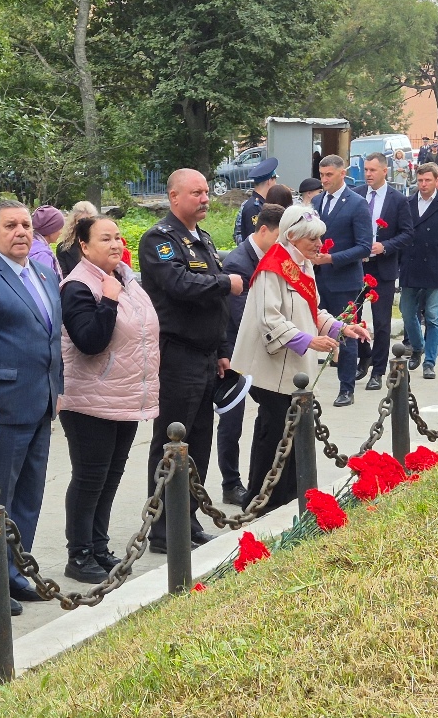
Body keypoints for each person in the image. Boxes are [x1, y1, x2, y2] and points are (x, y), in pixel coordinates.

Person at [0, 200, 63, 609]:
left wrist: (58, 388)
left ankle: (16, 572)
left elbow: (51, 338)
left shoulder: (43, 272)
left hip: (41, 402)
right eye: (10, 225)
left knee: (29, 497)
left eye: (25, 224)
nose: (21, 231)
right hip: (3, 406)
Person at [232, 206, 370, 511]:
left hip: (291, 367)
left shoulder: (303, 265)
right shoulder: (273, 266)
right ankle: (265, 500)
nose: (320, 245)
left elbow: (313, 310)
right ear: (293, 237)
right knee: (275, 434)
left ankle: (288, 497)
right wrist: (309, 340)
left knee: (288, 433)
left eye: (320, 238)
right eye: (314, 239)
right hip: (270, 369)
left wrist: (341, 327)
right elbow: (270, 319)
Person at [138, 169, 244, 553]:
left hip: (204, 355)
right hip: (176, 354)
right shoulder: (159, 240)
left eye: (206, 192)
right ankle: (164, 527)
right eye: (196, 193)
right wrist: (225, 282)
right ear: (173, 196)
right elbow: (179, 285)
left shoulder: (204, 238)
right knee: (172, 440)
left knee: (199, 440)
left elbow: (213, 306)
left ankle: (189, 517)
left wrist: (221, 350)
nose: (204, 198)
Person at [58, 215, 160, 583]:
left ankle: (98, 546)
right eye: (106, 239)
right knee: (89, 478)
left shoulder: (124, 279)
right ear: (84, 246)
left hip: (125, 396)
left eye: (118, 237)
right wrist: (109, 302)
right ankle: (79, 554)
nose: (116, 244)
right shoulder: (78, 286)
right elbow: (89, 341)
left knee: (110, 476)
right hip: (89, 401)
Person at [216, 204, 283, 507]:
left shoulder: (268, 258)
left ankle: (262, 476)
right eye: (280, 236)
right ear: (264, 230)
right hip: (234, 353)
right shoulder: (238, 262)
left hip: (254, 352)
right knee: (232, 420)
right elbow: (241, 314)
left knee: (270, 412)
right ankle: (231, 483)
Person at [311, 154, 374, 407]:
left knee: (345, 334)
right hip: (317, 279)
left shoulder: (357, 203)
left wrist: (331, 259)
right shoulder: (316, 201)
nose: (324, 180)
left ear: (342, 174)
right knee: (313, 328)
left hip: (344, 280)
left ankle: (346, 387)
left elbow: (364, 247)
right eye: (321, 174)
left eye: (329, 175)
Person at [354, 152, 414, 389]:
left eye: (372, 170)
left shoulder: (397, 199)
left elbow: (408, 234)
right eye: (366, 170)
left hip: (383, 268)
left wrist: (385, 246)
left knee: (380, 321)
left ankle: (378, 371)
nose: (368, 174)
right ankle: (363, 355)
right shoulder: (357, 195)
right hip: (356, 266)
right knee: (352, 316)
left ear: (384, 171)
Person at [400, 163, 438, 379]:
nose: (423, 184)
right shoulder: (407, 203)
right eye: (420, 180)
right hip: (410, 266)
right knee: (408, 313)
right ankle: (418, 346)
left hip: (436, 268)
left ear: (436, 181)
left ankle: (429, 362)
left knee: (434, 317)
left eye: (427, 180)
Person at [232, 157, 279, 244]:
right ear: (269, 181)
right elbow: (256, 241)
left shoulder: (260, 203)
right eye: (275, 180)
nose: (276, 184)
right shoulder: (253, 207)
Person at [56, 201, 101, 276]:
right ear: (74, 223)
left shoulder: (103, 245)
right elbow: (63, 277)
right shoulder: (63, 248)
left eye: (90, 222)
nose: (86, 226)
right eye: (82, 222)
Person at [29, 204, 65, 278]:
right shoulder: (42, 256)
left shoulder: (30, 244)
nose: (61, 232)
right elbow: (45, 285)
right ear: (51, 230)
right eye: (59, 228)